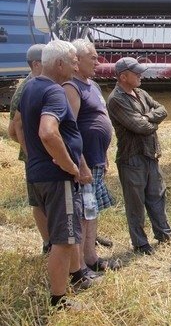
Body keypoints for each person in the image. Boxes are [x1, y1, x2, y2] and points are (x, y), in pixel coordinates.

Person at [15, 40, 95, 309]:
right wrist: (71, 167)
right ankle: (59, 299)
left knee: (64, 235)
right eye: (73, 61)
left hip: (38, 172)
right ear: (59, 64)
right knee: (62, 240)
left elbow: (19, 128)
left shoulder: (30, 87)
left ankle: (76, 277)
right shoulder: (54, 92)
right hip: (57, 177)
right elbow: (48, 132)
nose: (76, 65)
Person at [107, 57, 171, 255]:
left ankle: (164, 234)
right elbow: (140, 127)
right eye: (136, 72)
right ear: (123, 77)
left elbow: (162, 110)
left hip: (150, 153)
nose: (140, 75)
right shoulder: (116, 99)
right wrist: (149, 122)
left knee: (157, 195)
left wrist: (148, 118)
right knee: (135, 202)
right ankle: (140, 243)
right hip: (131, 157)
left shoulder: (140, 93)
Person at [63, 39, 120, 271]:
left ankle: (91, 257)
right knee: (83, 214)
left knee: (91, 210)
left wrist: (104, 154)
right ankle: (81, 265)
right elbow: (70, 128)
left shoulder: (92, 85)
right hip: (83, 162)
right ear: (77, 62)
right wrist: (81, 163)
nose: (98, 61)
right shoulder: (71, 87)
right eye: (93, 57)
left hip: (96, 159)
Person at [8, 43, 51, 253]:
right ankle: (48, 243)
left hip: (46, 154)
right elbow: (13, 129)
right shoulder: (25, 88)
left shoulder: (42, 84)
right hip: (36, 157)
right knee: (39, 201)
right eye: (48, 61)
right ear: (36, 64)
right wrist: (32, 151)